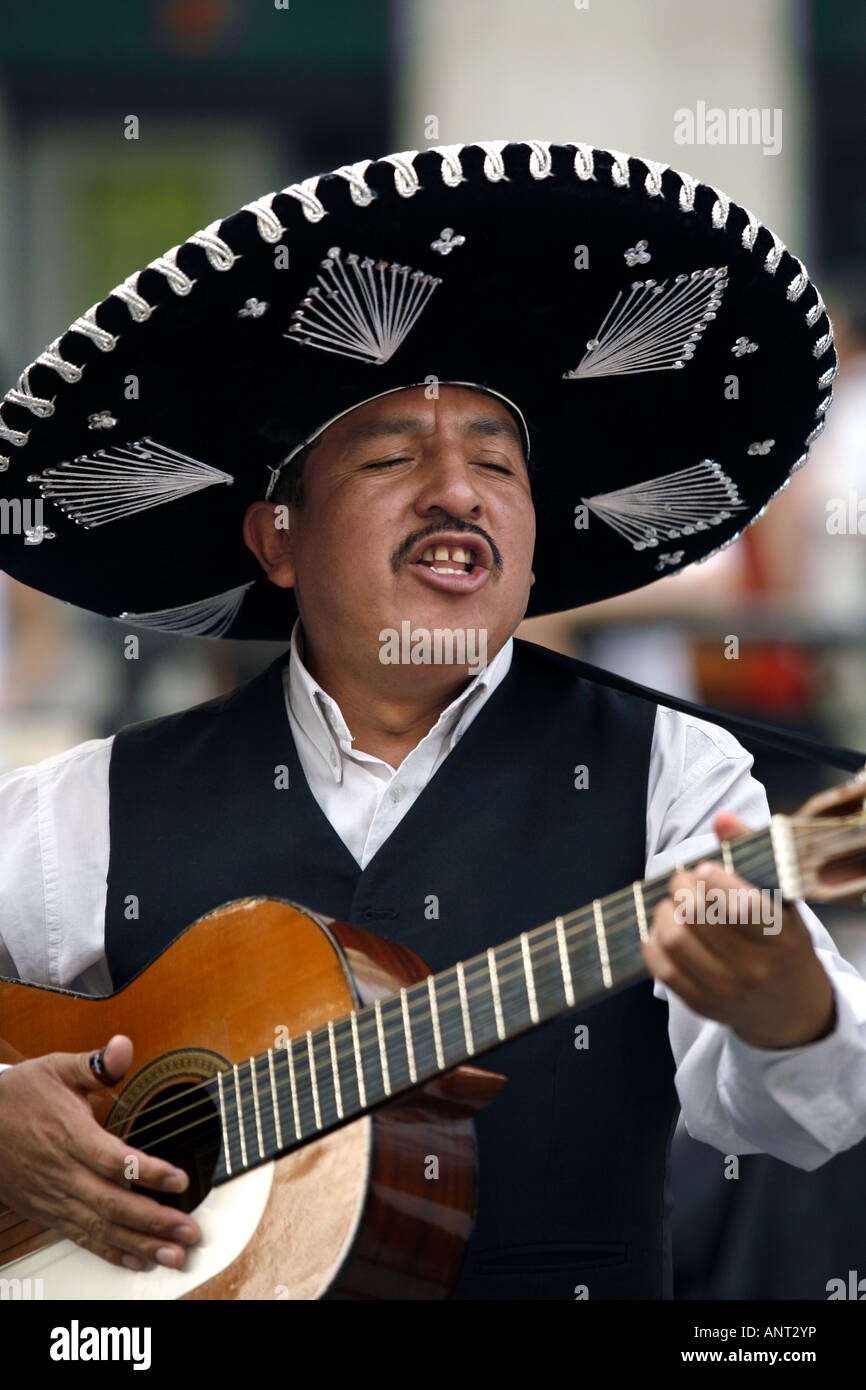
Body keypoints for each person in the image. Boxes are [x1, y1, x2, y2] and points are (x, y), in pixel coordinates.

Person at [0, 139, 863, 1301]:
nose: (456, 489)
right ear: (279, 538)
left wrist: (782, 1005)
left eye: (497, 465)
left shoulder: (672, 770)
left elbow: (811, 1112)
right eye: (394, 455)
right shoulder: (80, 805)